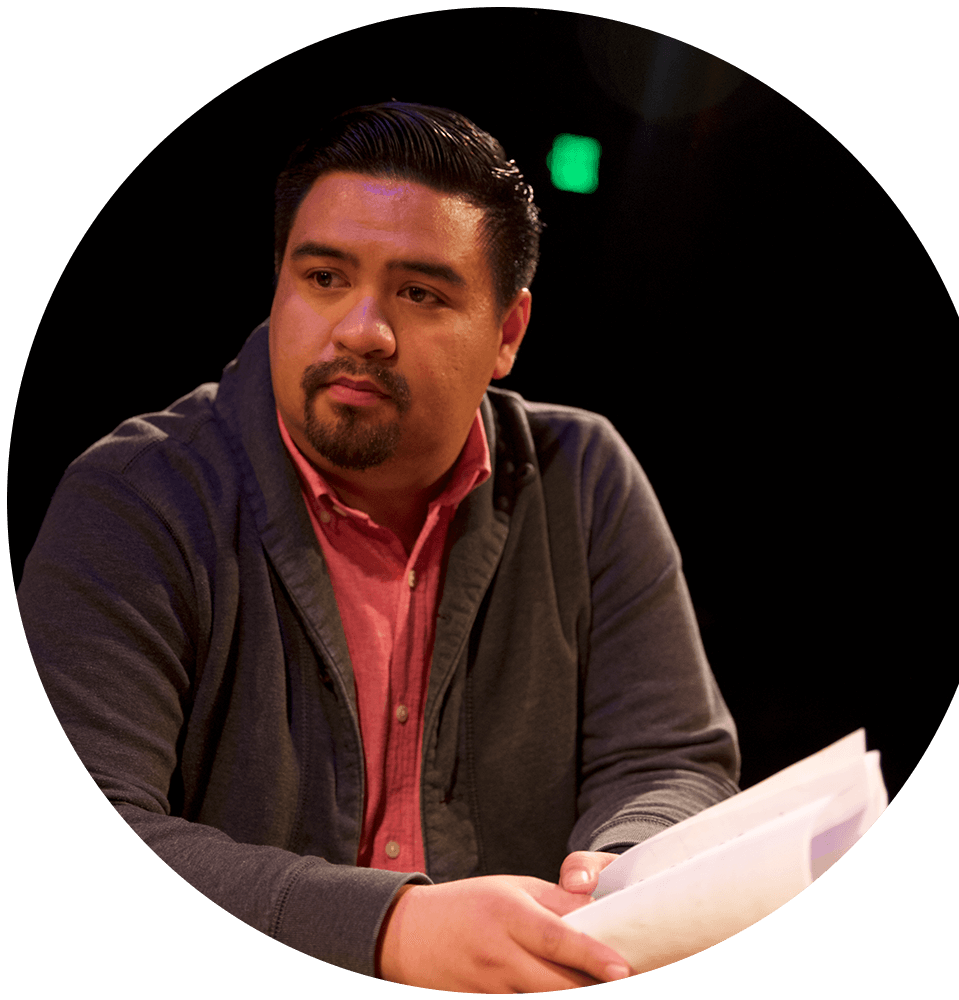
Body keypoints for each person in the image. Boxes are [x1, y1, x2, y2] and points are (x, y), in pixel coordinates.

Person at [17, 102, 740, 990]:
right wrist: (390, 928)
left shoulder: (582, 476)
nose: (362, 329)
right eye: (323, 277)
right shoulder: (137, 497)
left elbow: (669, 760)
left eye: (421, 293)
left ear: (508, 332)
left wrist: (621, 870)